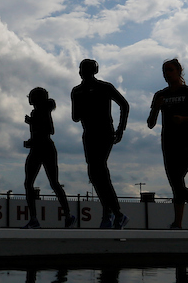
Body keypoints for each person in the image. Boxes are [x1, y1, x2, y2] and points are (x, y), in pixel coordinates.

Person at [147, 58, 188, 229]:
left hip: (186, 142)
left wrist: (185, 119)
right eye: (164, 71)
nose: (167, 74)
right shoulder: (160, 95)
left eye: (170, 70)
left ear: (179, 71)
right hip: (168, 143)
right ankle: (186, 218)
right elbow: (150, 123)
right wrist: (156, 107)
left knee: (176, 181)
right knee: (177, 183)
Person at [71, 59, 130, 229]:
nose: (82, 72)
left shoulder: (104, 87)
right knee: (95, 174)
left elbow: (124, 105)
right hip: (89, 134)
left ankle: (114, 214)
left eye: (85, 69)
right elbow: (75, 117)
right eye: (82, 69)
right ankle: (113, 213)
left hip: (104, 133)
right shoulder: (77, 91)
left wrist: (120, 129)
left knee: (99, 170)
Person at [22, 87, 75, 228]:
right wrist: (32, 124)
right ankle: (67, 215)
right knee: (52, 183)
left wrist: (32, 127)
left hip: (41, 148)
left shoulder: (40, 112)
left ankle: (35, 218)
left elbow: (48, 130)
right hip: (43, 148)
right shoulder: (41, 111)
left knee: (32, 183)